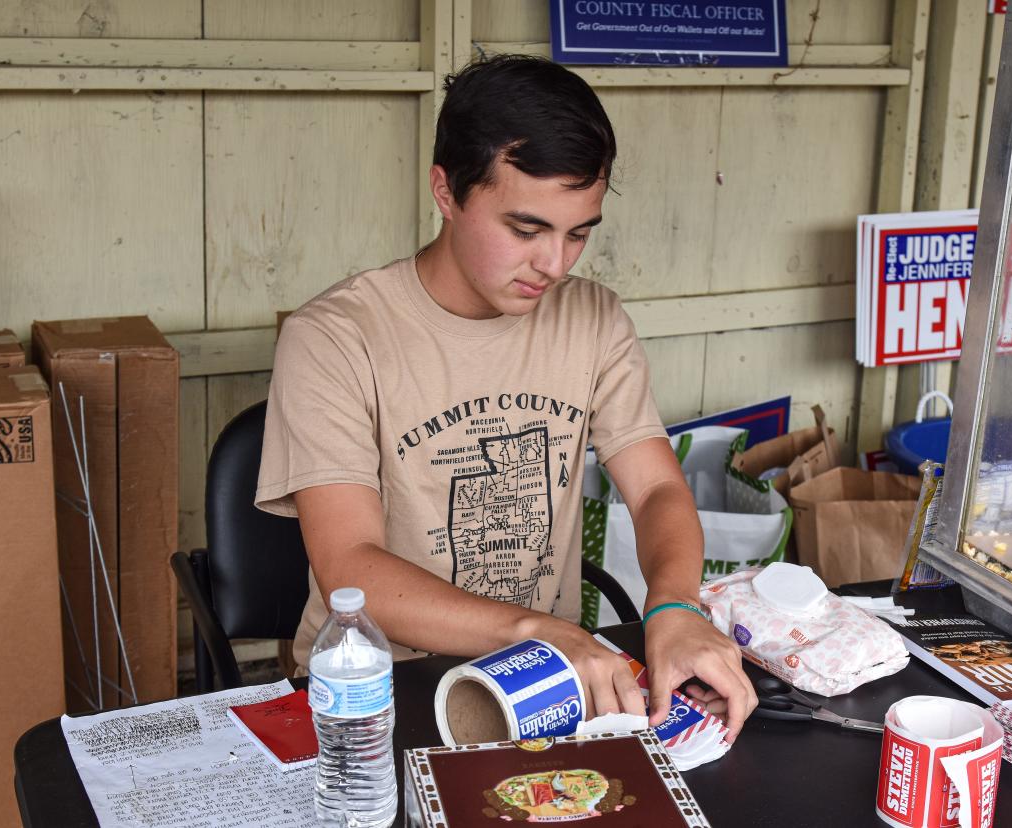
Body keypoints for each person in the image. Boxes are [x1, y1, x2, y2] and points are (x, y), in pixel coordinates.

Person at [255, 54, 756, 740]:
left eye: (578, 232)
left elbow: (655, 492)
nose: (554, 264)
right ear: (446, 191)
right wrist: (542, 631)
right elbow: (351, 567)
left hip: (543, 686)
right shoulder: (336, 338)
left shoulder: (594, 321)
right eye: (526, 230)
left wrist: (674, 607)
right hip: (375, 692)